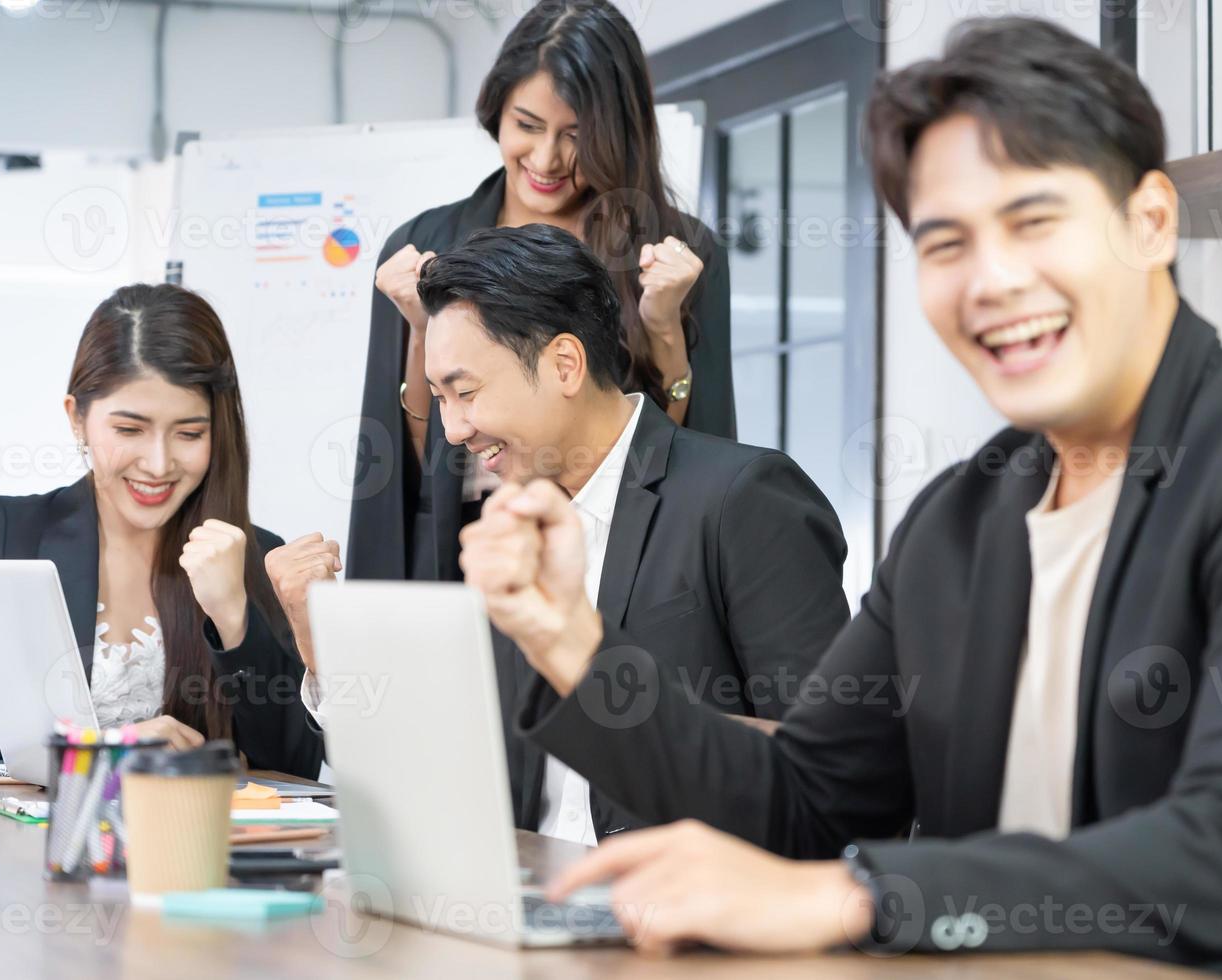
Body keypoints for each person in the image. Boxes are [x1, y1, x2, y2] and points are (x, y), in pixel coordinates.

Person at [459, 18, 1222, 977]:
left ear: (1150, 221)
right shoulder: (964, 518)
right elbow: (808, 799)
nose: (993, 280)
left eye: (1035, 220)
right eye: (946, 241)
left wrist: (857, 894)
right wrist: (571, 647)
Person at [268, 224, 845, 842]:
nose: (455, 429)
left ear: (565, 364)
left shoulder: (741, 498)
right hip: (532, 901)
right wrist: (317, 641)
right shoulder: (506, 534)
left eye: (465, 391)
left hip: (691, 912)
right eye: (439, 398)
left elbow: (834, 776)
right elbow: (445, 765)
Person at [348, 0, 733, 586]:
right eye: (527, 126)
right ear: (495, 110)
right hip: (464, 552)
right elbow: (413, 461)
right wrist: (423, 332)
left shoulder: (675, 251)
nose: (547, 159)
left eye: (576, 136)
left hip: (616, 556)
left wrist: (663, 328)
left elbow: (682, 455)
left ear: (618, 134)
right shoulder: (423, 245)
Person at [0, 284, 323, 777]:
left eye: (190, 434)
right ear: (77, 419)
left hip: (197, 846)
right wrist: (107, 747)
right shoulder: (3, 535)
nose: (158, 463)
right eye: (129, 430)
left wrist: (233, 614)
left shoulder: (255, 554)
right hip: (34, 845)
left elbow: (292, 766)